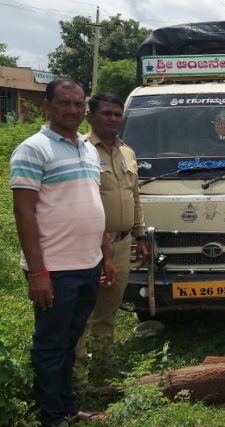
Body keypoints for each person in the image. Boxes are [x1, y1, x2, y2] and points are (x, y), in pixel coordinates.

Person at [10, 78, 117, 427]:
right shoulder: (33, 149)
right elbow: (24, 214)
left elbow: (93, 205)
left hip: (87, 265)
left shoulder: (87, 149)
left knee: (70, 343)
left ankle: (69, 409)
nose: (72, 110)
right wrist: (38, 272)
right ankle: (51, 421)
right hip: (55, 269)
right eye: (64, 103)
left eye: (77, 104)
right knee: (51, 346)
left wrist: (105, 255)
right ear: (48, 106)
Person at [74, 93, 148, 383]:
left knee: (108, 310)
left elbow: (135, 197)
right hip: (88, 245)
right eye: (106, 113)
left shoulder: (126, 152)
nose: (113, 119)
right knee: (82, 312)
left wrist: (140, 235)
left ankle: (103, 369)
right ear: (90, 116)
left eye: (118, 114)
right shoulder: (80, 151)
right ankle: (77, 377)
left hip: (122, 243)